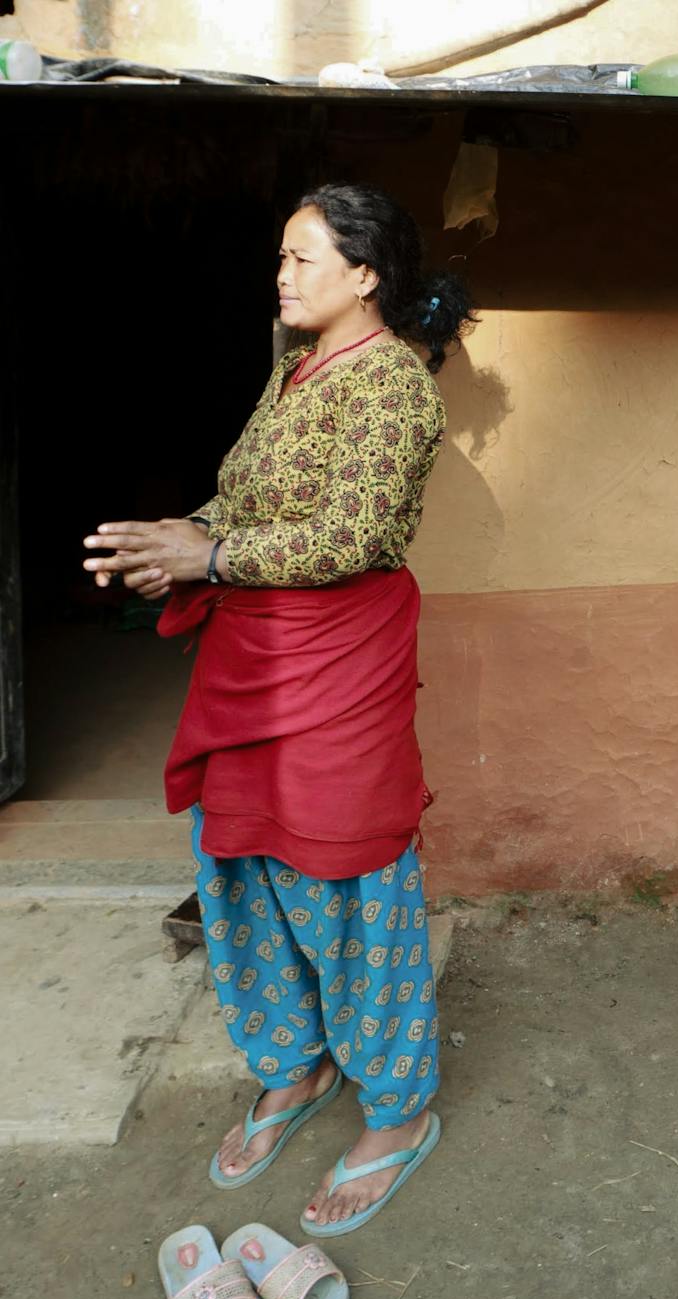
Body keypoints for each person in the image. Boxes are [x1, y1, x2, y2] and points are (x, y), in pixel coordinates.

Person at [82, 184, 475, 1231]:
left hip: (335, 668)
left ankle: (397, 1111)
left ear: (366, 275)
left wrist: (208, 553)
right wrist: (177, 539)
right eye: (282, 257)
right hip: (251, 660)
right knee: (243, 865)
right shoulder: (296, 366)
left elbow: (352, 537)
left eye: (303, 258)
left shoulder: (392, 385)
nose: (283, 274)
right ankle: (293, 1068)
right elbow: (246, 495)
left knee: (344, 875)